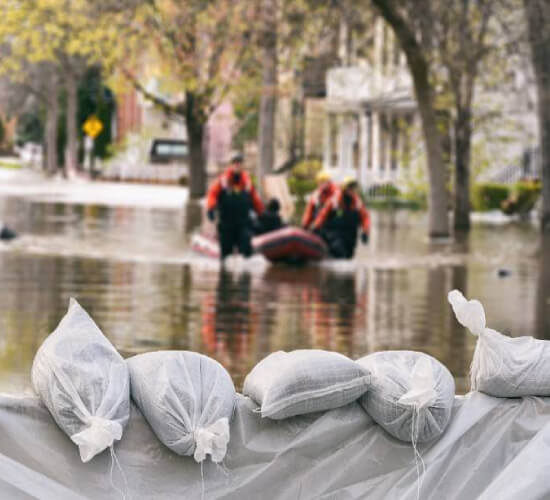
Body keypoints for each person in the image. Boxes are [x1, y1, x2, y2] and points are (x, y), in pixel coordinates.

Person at [206, 154, 264, 260]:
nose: (237, 165)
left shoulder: (247, 182)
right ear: (231, 165)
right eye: (235, 163)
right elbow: (212, 194)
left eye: (239, 163)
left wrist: (262, 214)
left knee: (246, 251)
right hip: (226, 223)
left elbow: (255, 200)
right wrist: (211, 208)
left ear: (242, 165)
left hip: (243, 223)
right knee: (225, 254)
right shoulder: (223, 181)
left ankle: (245, 273)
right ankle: (224, 274)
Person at [311, 177, 370, 259]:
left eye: (353, 188)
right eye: (350, 187)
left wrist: (365, 232)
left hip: (351, 236)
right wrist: (316, 227)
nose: (352, 190)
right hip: (334, 235)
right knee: (340, 253)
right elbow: (322, 215)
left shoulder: (357, 202)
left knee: (348, 257)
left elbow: (365, 218)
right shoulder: (334, 201)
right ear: (344, 189)